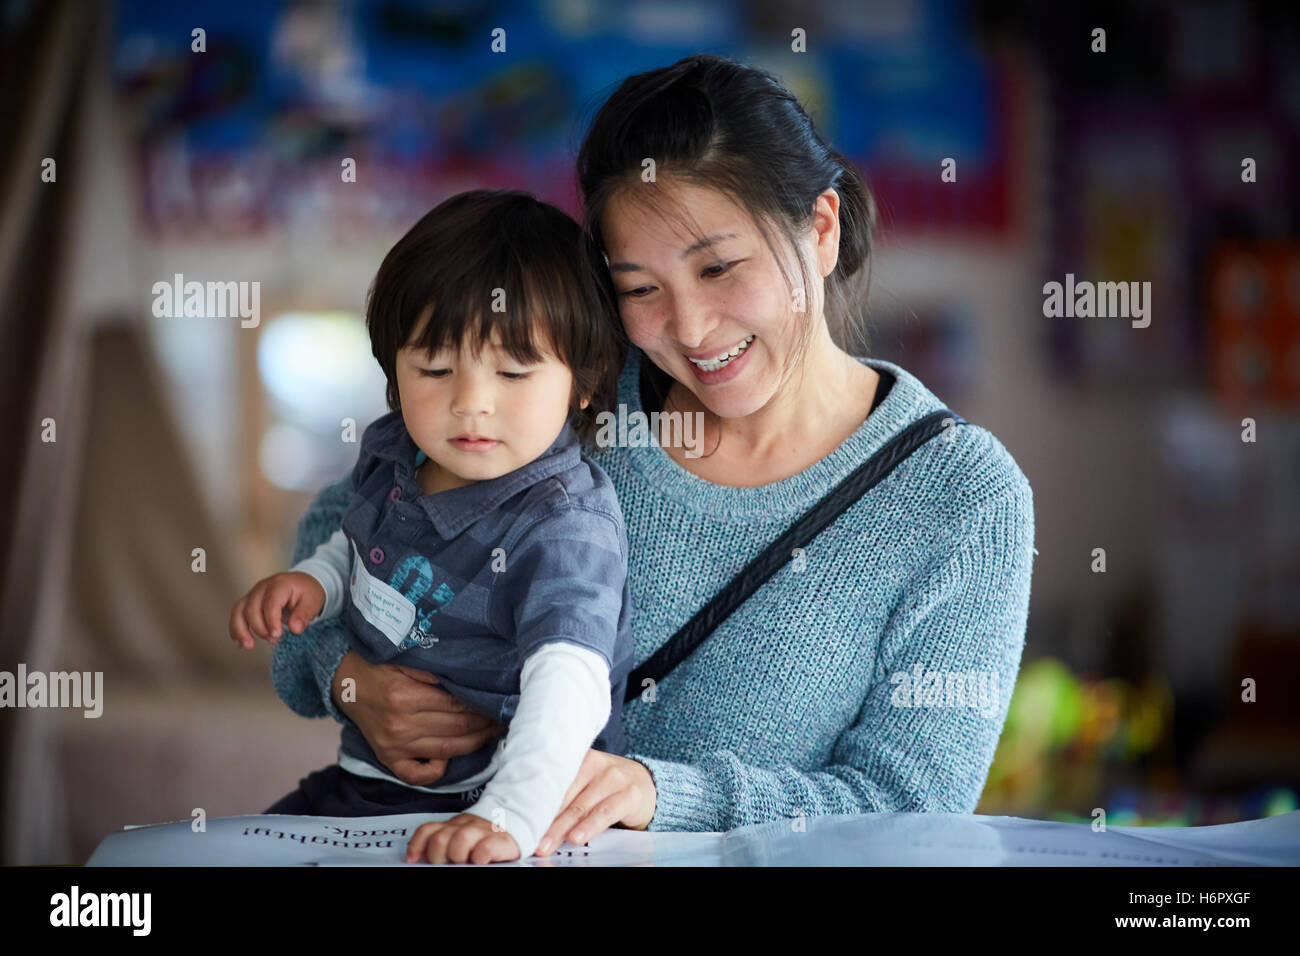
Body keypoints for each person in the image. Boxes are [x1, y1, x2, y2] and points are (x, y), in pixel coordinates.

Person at [269, 53, 1036, 859]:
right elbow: (351, 527)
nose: (693, 328)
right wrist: (348, 681)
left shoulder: (963, 497)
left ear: (820, 229)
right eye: (639, 288)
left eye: (719, 267)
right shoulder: (573, 389)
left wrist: (662, 793)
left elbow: (914, 808)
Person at [230, 189, 635, 864]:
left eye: (511, 370)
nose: (471, 403)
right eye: (436, 368)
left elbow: (571, 683)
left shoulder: (564, 523)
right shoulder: (397, 451)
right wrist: (314, 582)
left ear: (586, 382)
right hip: (364, 787)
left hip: (486, 811)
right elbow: (358, 542)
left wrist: (506, 817)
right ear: (393, 369)